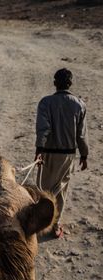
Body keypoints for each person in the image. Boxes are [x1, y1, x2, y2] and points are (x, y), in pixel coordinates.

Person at [35, 68, 89, 238]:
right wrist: (84, 155)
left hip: (47, 153)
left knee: (44, 189)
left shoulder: (45, 102)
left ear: (54, 83)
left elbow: (43, 129)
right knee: (60, 190)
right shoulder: (79, 104)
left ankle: (41, 222)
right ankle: (55, 224)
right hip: (67, 155)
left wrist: (39, 150)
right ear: (71, 83)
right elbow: (81, 134)